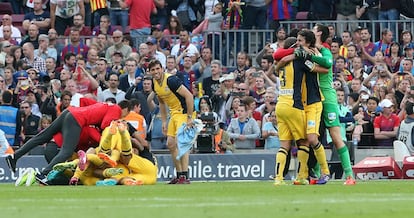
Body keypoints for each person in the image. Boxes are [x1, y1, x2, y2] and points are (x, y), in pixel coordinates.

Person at [5, 101, 122, 185]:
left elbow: (85, 101)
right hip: (76, 119)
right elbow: (105, 125)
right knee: (66, 152)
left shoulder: (105, 104)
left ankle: (15, 156)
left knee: (41, 137)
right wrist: (114, 125)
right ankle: (43, 174)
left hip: (69, 112)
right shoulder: (117, 109)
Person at [311, 24, 356, 185]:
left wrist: (310, 58)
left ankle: (350, 175)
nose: (311, 31)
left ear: (319, 33)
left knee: (336, 136)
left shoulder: (325, 50)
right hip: (313, 98)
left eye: (314, 29)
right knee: (313, 137)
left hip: (328, 98)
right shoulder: (310, 50)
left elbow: (328, 63)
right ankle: (318, 174)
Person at [148, 59, 194, 184]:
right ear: (150, 72)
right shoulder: (155, 84)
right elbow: (162, 102)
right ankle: (179, 175)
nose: (156, 72)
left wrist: (189, 117)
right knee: (171, 144)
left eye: (158, 69)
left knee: (181, 143)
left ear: (162, 69)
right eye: (153, 70)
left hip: (184, 112)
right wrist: (164, 121)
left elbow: (189, 96)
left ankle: (185, 176)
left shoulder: (171, 80)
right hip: (174, 114)